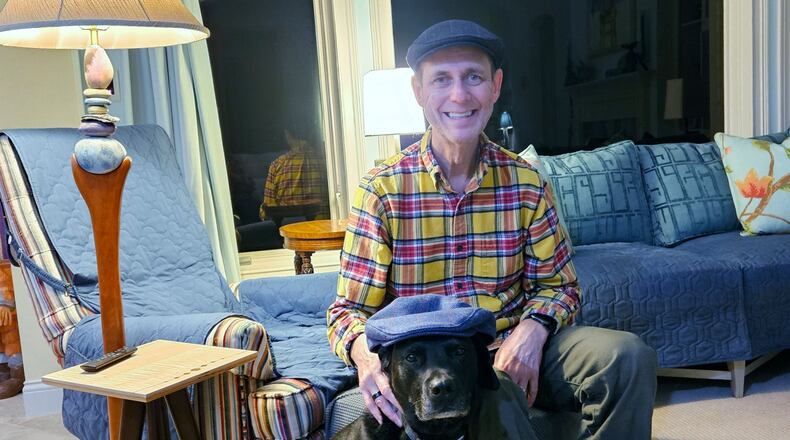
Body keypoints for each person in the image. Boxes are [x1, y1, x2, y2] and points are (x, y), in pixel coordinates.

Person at [327, 19, 657, 439]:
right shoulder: (382, 190)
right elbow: (346, 312)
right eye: (441, 79)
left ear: (495, 86)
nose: (459, 95)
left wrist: (533, 330)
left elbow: (561, 287)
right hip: (437, 363)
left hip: (513, 341)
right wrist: (366, 359)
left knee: (628, 357)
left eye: (474, 77)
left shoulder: (527, 182)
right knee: (496, 391)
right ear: (418, 92)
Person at [259, 129, 329, 222]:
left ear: (287, 135)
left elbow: (267, 211)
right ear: (311, 134)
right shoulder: (327, 162)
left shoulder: (277, 165)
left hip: (291, 232)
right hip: (325, 228)